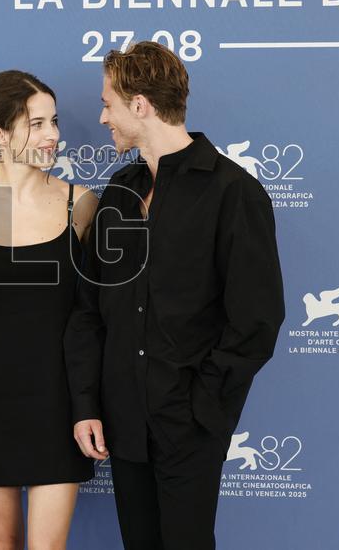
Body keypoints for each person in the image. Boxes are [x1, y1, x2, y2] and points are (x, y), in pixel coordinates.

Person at [65, 42, 285, 550]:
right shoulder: (118, 191)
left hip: (189, 426)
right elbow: (89, 310)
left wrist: (202, 409)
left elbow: (257, 320)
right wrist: (86, 404)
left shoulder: (233, 192)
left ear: (139, 105)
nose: (102, 118)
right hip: (123, 423)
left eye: (108, 104)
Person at [0, 70, 97, 550]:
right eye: (37, 124)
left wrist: (89, 404)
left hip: (58, 401)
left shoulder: (82, 205)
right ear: (1, 134)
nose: (52, 135)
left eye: (54, 121)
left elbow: (93, 314)